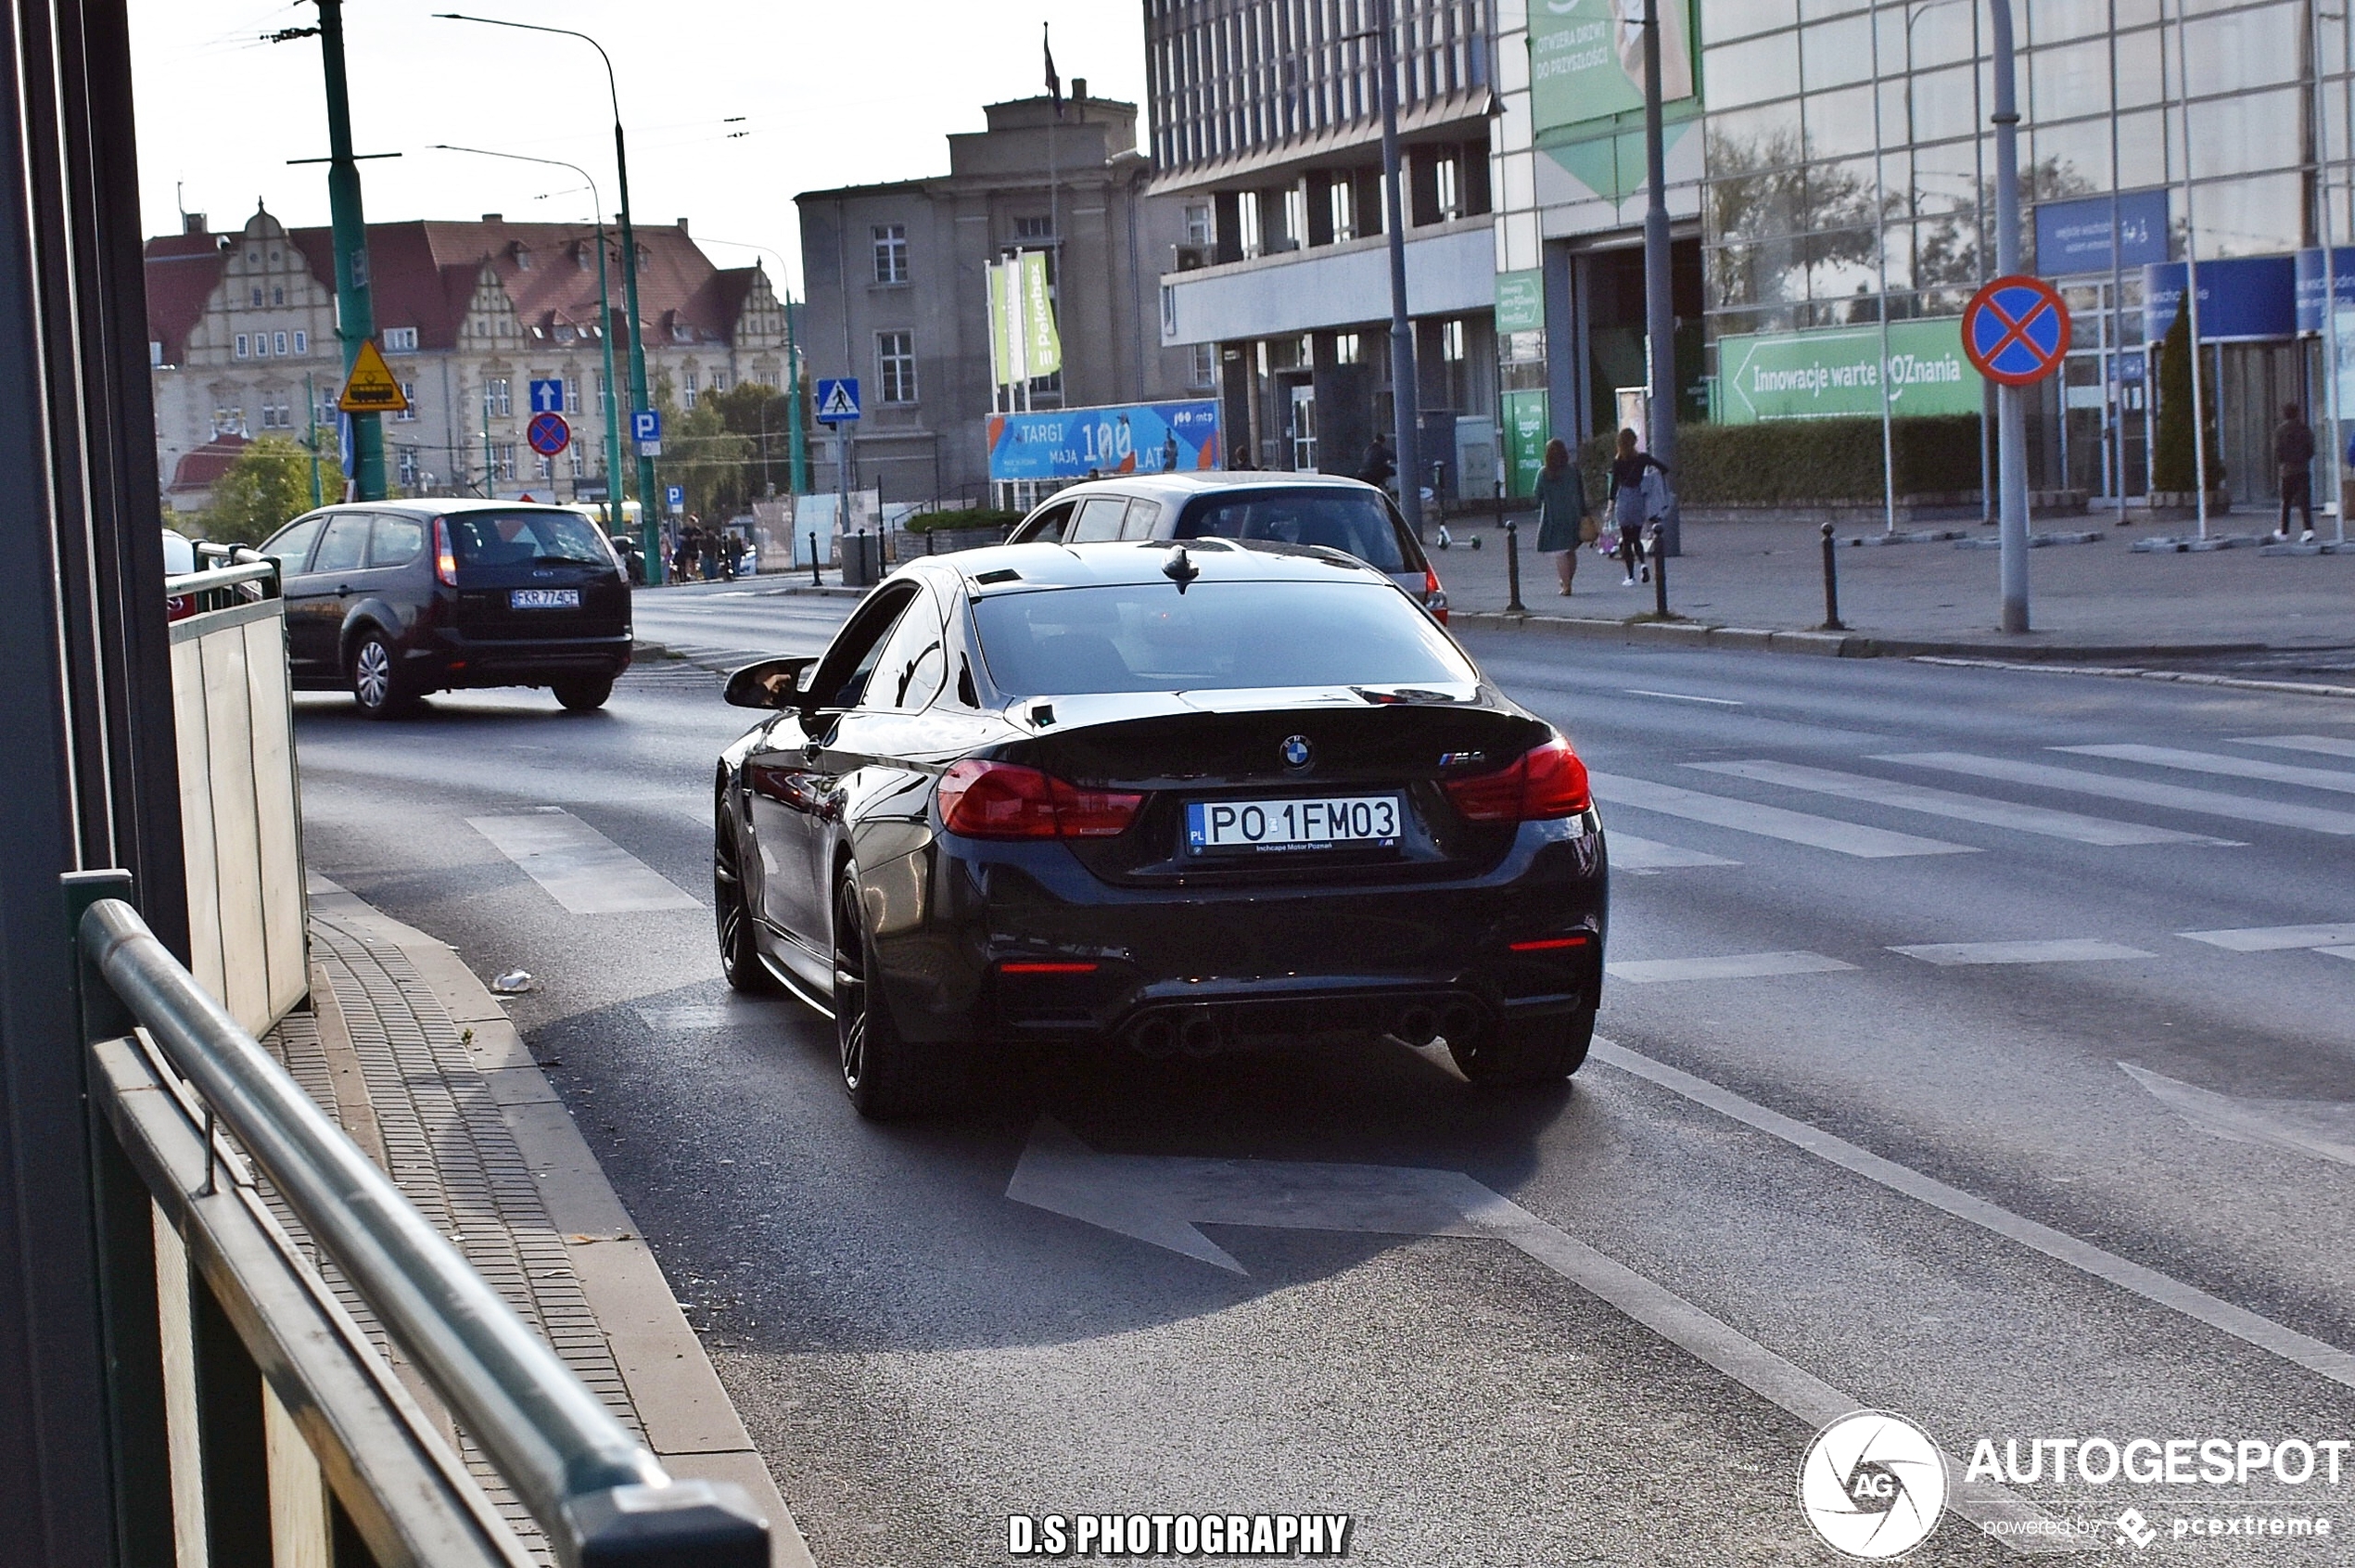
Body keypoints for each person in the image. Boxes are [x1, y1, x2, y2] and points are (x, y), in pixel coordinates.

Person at [1608, 427, 1668, 586]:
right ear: (1634, 442)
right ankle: (1643, 564)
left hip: (1624, 500)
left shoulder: (1618, 462)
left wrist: (1610, 508)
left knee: (1626, 541)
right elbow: (1664, 468)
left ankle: (1630, 577)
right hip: (1638, 499)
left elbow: (1614, 486)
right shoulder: (1642, 459)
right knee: (1637, 537)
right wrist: (1650, 480)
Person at [1532, 438, 1589, 595]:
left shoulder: (1543, 473)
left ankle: (1566, 585)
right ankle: (1567, 580)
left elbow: (1537, 497)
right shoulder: (1573, 471)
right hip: (1573, 515)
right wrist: (1584, 512)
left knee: (1560, 552)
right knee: (1570, 550)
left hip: (1553, 517)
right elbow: (1581, 493)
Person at [2276, 402, 2316, 542]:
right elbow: (2311, 449)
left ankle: (2284, 532)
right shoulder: (2304, 429)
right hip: (2303, 469)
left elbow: (2278, 451)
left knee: (2286, 502)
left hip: (2287, 470)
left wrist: (2283, 462)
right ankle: (2308, 529)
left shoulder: (2280, 430)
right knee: (2304, 501)